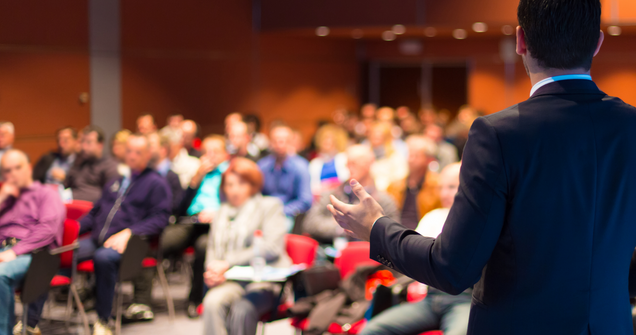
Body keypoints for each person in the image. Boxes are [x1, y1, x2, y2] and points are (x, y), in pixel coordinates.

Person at [328, 1, 636, 334]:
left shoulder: (500, 134)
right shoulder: (630, 125)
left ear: (521, 41)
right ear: (598, 42)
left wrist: (376, 228)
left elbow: (452, 268)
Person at [77, 133, 171, 335]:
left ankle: (104, 321)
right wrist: (73, 229)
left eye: (138, 152)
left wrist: (130, 232)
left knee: (104, 258)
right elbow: (96, 212)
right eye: (129, 151)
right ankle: (31, 322)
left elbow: (160, 218)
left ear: (148, 155)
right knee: (58, 252)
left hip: (133, 245)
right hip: (98, 238)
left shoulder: (156, 183)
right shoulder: (116, 180)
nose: (132, 156)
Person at [361, 163, 470, 335]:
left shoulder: (477, 223)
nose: (444, 194)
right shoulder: (433, 216)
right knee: (372, 330)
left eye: (451, 187)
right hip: (431, 298)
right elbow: (410, 257)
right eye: (441, 187)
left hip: (463, 300)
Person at [201, 157, 291, 335]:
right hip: (231, 280)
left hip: (263, 280)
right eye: (229, 185)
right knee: (212, 302)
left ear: (253, 185)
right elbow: (212, 248)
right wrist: (211, 271)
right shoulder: (221, 212)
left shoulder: (269, 206)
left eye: (241, 184)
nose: (235, 190)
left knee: (242, 309)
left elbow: (271, 248)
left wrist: (227, 262)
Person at [0, 150, 65, 335]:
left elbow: (47, 230)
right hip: (4, 249)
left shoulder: (47, 194)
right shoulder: (7, 198)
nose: (12, 174)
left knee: (0, 274)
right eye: (7, 170)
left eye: (17, 168)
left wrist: (15, 252)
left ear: (28, 168)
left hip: (36, 255)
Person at [167, 135, 230, 317]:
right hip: (191, 222)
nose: (210, 157)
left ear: (225, 154)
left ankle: (195, 299)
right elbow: (179, 208)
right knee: (164, 241)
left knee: (202, 247)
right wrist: (195, 179)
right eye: (206, 152)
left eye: (215, 152)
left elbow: (236, 206)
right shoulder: (198, 173)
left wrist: (216, 214)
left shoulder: (230, 173)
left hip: (217, 225)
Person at [124, 132, 184, 322]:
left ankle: (141, 302)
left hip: (168, 226)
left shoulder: (170, 176)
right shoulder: (139, 175)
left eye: (152, 146)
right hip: (142, 224)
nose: (147, 150)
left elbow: (175, 206)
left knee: (143, 242)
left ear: (163, 150)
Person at [303, 145, 399, 244]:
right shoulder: (332, 194)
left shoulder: (384, 201)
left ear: (369, 163)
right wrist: (343, 226)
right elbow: (310, 223)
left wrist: (354, 226)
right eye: (347, 164)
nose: (349, 168)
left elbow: (391, 235)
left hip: (365, 255)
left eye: (354, 163)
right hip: (329, 252)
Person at [258, 124, 312, 222]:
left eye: (284, 141)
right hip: (264, 213)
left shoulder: (301, 166)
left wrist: (281, 212)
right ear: (270, 142)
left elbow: (305, 200)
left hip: (289, 215)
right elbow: (256, 194)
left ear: (291, 142)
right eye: (275, 141)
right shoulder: (262, 166)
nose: (280, 144)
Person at [386, 135, 441, 230]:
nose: (410, 159)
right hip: (397, 233)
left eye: (416, 156)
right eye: (409, 155)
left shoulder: (437, 185)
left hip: (423, 235)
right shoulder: (394, 186)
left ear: (428, 160)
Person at [64, 126, 119, 203]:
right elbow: (66, 186)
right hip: (71, 207)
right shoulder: (79, 163)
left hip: (93, 211)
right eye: (82, 141)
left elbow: (110, 197)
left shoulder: (110, 166)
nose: (84, 147)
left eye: (89, 142)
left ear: (100, 144)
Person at [308, 124, 350, 196]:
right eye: (324, 139)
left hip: (342, 196)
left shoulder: (344, 158)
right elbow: (312, 187)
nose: (327, 141)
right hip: (321, 198)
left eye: (330, 139)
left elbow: (347, 180)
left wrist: (329, 185)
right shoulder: (315, 163)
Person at [367, 122, 408, 192]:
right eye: (373, 137)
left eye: (379, 138)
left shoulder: (395, 157)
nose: (375, 141)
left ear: (387, 138)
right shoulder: (366, 154)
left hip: (388, 194)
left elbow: (400, 178)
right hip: (369, 192)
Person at [170, 125, 201, 189]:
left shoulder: (195, 162)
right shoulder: (161, 162)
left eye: (188, 135)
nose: (184, 138)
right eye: (182, 135)